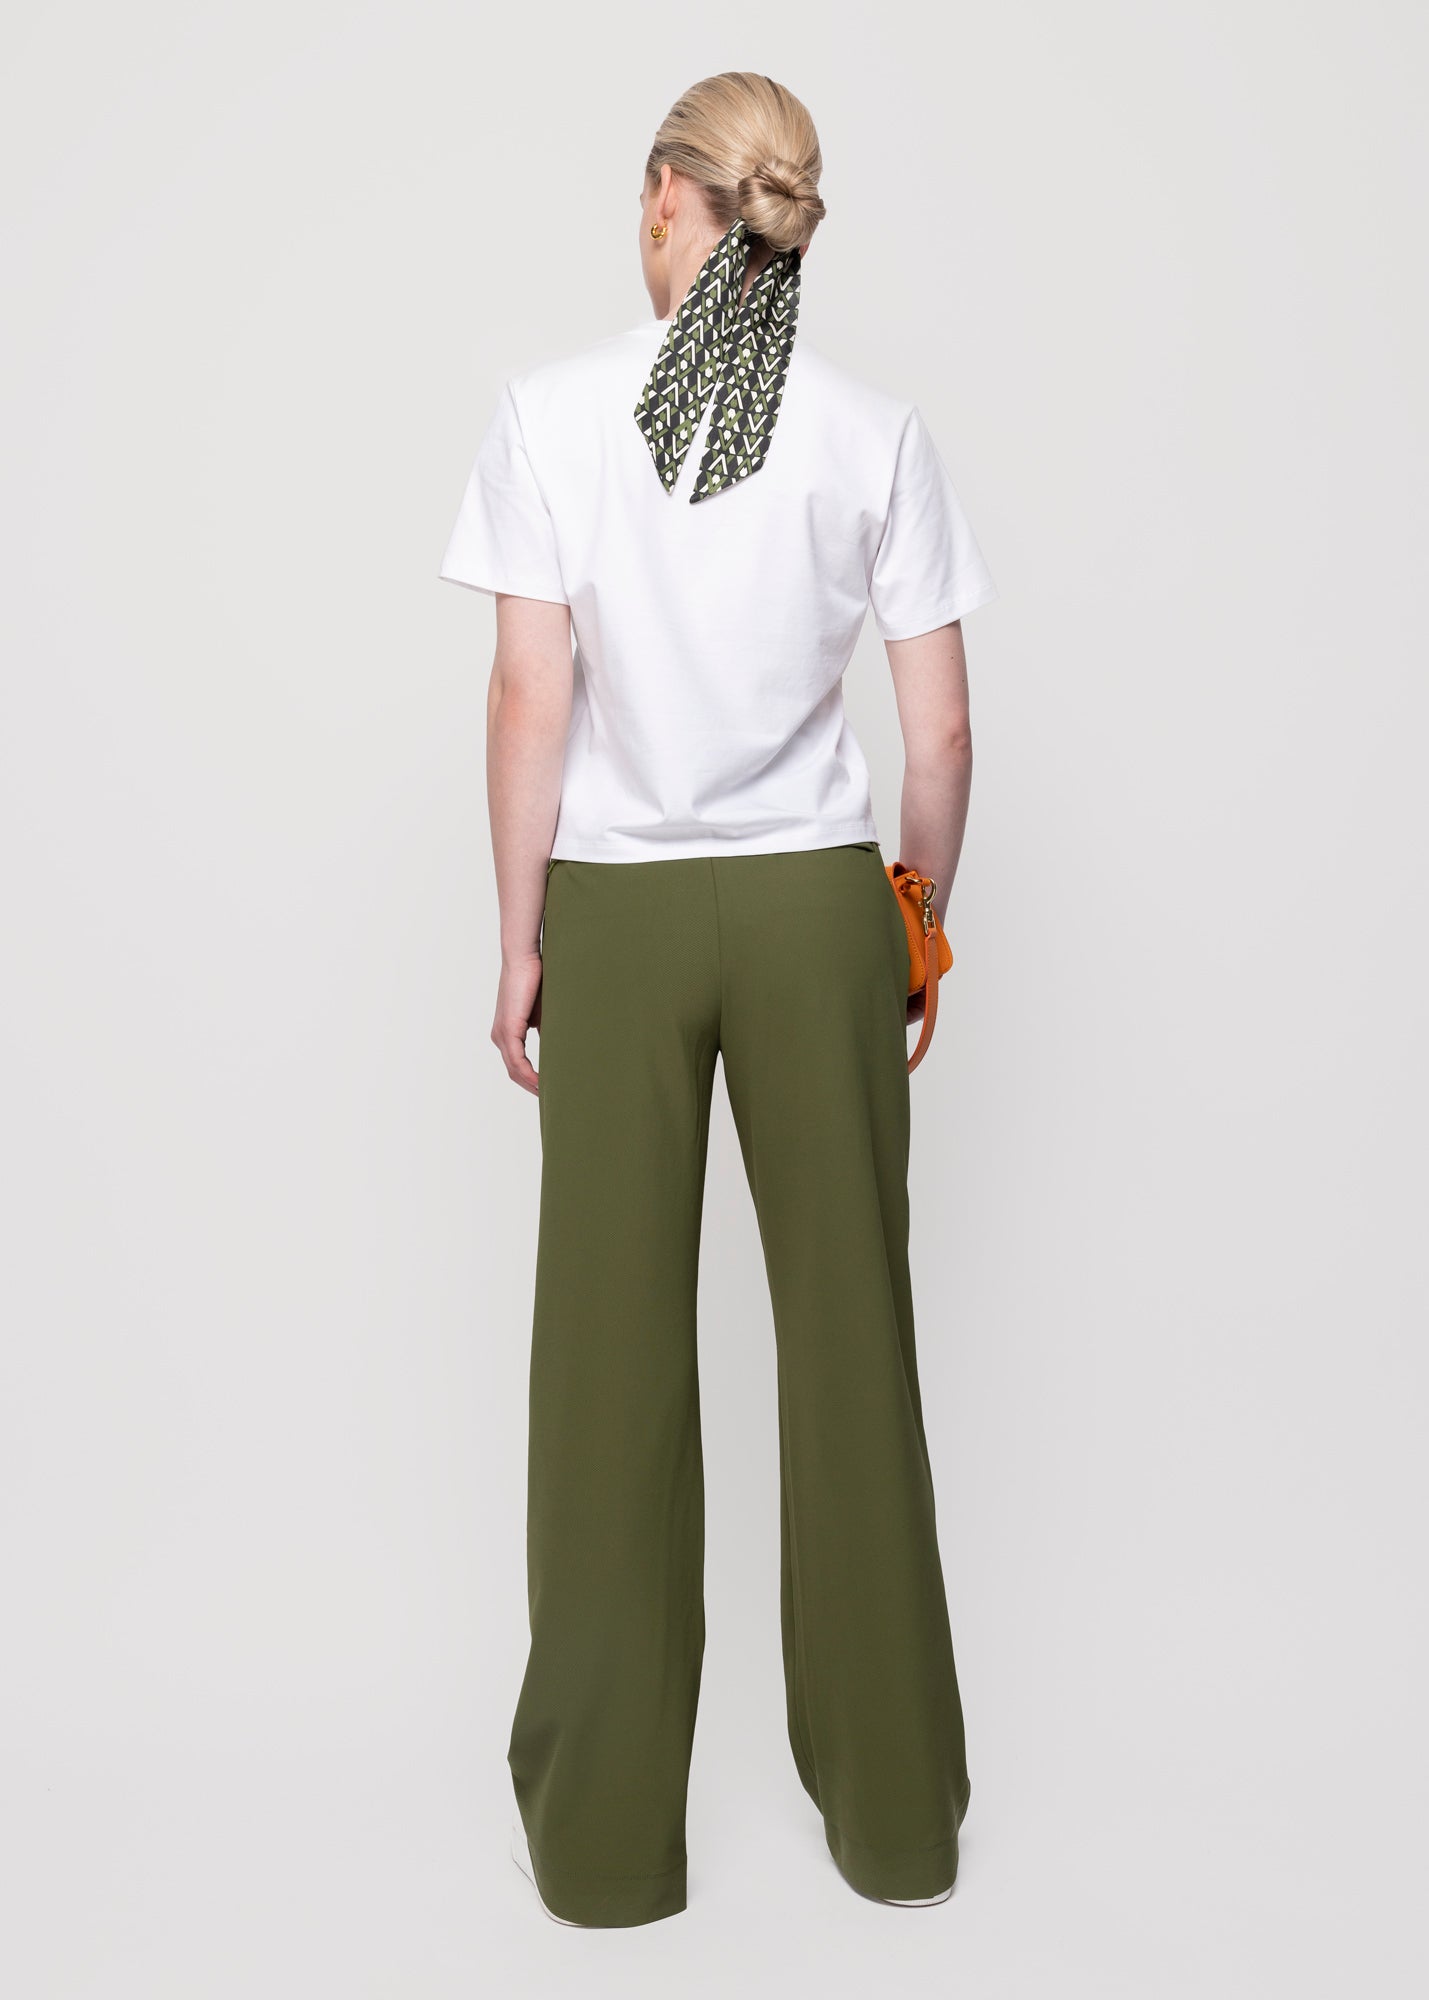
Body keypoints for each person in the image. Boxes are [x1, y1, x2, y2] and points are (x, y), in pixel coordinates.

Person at [438, 71, 998, 1929]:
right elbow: (939, 737)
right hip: (816, 910)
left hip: (615, 910)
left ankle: (604, 1851)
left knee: (605, 1373)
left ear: (668, 197)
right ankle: (899, 1826)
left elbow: (531, 697)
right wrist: (913, 923)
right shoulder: (871, 430)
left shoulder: (549, 417)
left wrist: (518, 937)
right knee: (853, 1346)